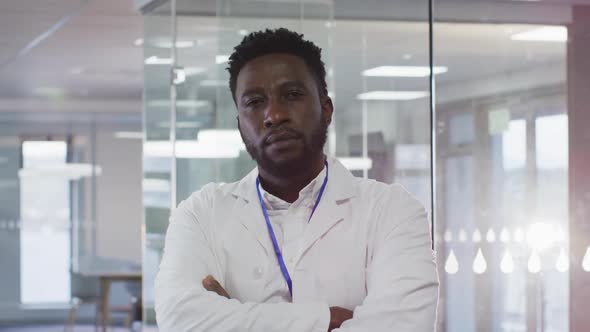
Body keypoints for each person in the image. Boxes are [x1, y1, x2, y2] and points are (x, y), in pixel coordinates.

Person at [155, 28, 439, 332]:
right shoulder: (201, 213)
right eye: (254, 102)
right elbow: (179, 319)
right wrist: (325, 320)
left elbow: (403, 326)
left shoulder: (392, 210)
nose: (274, 115)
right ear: (240, 125)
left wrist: (232, 317)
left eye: (292, 95)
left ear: (326, 109)